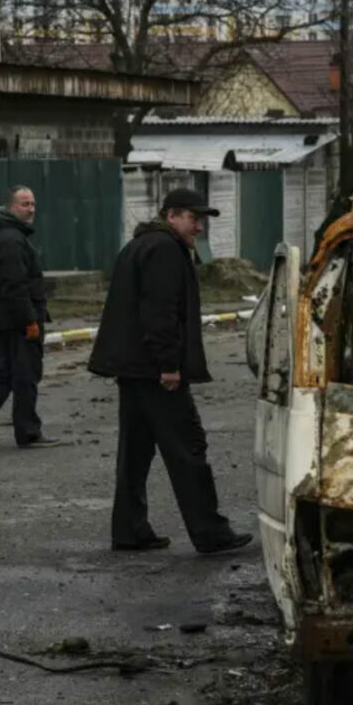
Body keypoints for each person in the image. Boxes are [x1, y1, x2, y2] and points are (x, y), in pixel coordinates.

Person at [88, 188, 252, 554]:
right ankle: (210, 532)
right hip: (155, 371)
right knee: (188, 446)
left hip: (133, 369)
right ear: (173, 215)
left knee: (135, 452)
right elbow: (160, 312)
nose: (199, 228)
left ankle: (130, 530)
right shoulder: (164, 249)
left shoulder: (140, 245)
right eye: (195, 219)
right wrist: (169, 365)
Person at [0, 185, 60, 450]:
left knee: (4, 373)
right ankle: (28, 432)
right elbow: (15, 284)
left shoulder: (5, 235)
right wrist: (29, 320)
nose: (30, 209)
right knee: (26, 374)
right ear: (10, 207)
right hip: (19, 321)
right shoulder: (11, 239)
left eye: (33, 204)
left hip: (4, 319)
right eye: (24, 204)